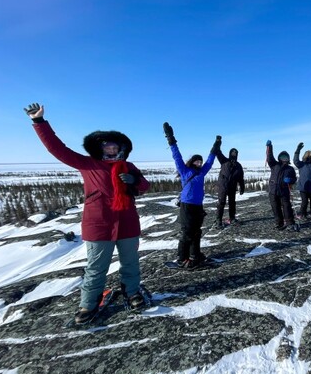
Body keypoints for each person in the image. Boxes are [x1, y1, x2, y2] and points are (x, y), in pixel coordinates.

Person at [23, 103, 150, 325]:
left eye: (115, 146)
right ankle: (89, 303)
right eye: (107, 146)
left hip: (127, 222)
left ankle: (132, 292)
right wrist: (39, 122)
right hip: (98, 224)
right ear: (99, 148)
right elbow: (57, 149)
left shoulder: (128, 166)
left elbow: (145, 186)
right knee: (96, 267)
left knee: (130, 262)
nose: (111, 149)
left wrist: (135, 181)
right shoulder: (88, 164)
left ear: (121, 148)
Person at [164, 122, 219, 267]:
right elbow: (176, 156)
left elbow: (210, 161)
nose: (199, 163)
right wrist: (170, 138)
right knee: (187, 232)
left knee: (196, 232)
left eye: (200, 161)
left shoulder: (201, 172)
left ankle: (195, 255)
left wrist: (215, 147)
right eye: (197, 161)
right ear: (192, 161)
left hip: (198, 206)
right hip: (187, 205)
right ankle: (182, 259)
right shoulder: (184, 170)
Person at [266, 140, 299, 231]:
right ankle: (279, 223)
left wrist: (290, 180)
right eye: (282, 157)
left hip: (284, 191)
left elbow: (294, 179)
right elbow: (269, 157)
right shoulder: (274, 165)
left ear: (288, 159)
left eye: (286, 157)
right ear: (279, 158)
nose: (284, 158)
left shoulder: (290, 169)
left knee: (287, 207)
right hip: (273, 190)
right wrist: (269, 147)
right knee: (275, 208)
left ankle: (290, 223)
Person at [213, 145, 245, 228]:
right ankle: (218, 220)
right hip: (223, 186)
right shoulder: (224, 161)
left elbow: (241, 178)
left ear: (237, 154)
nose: (234, 154)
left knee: (232, 203)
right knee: (221, 202)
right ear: (230, 153)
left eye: (235, 153)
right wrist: (218, 142)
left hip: (232, 187)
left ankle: (232, 218)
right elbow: (218, 152)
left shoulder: (238, 166)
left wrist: (242, 187)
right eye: (232, 152)